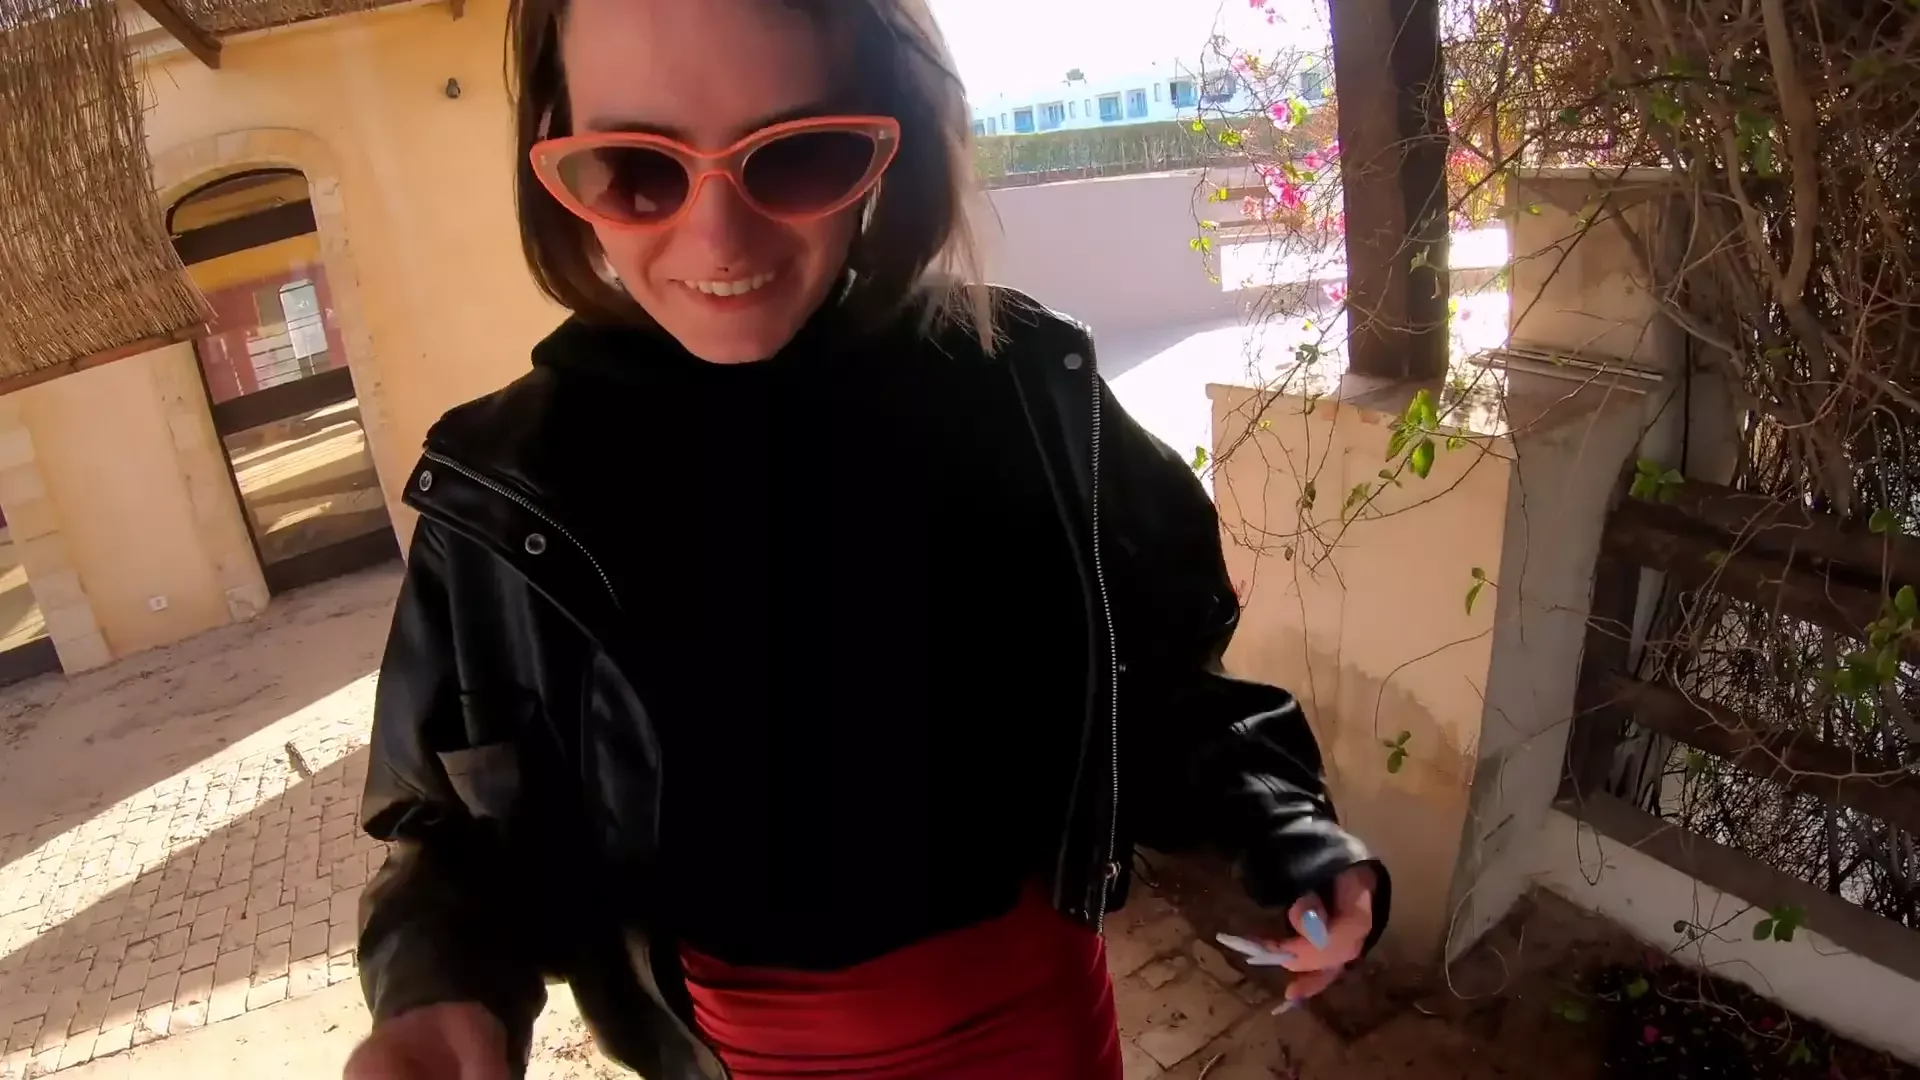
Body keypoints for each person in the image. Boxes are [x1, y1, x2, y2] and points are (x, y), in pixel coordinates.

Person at [343, 0, 1392, 1077]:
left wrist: (1287, 832)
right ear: (554, 156)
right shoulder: (506, 492)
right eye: (636, 169)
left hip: (1040, 1031)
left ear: (888, 137)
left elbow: (1163, 687)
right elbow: (452, 830)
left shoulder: (1022, 393)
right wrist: (438, 991)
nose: (719, 238)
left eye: (799, 155)